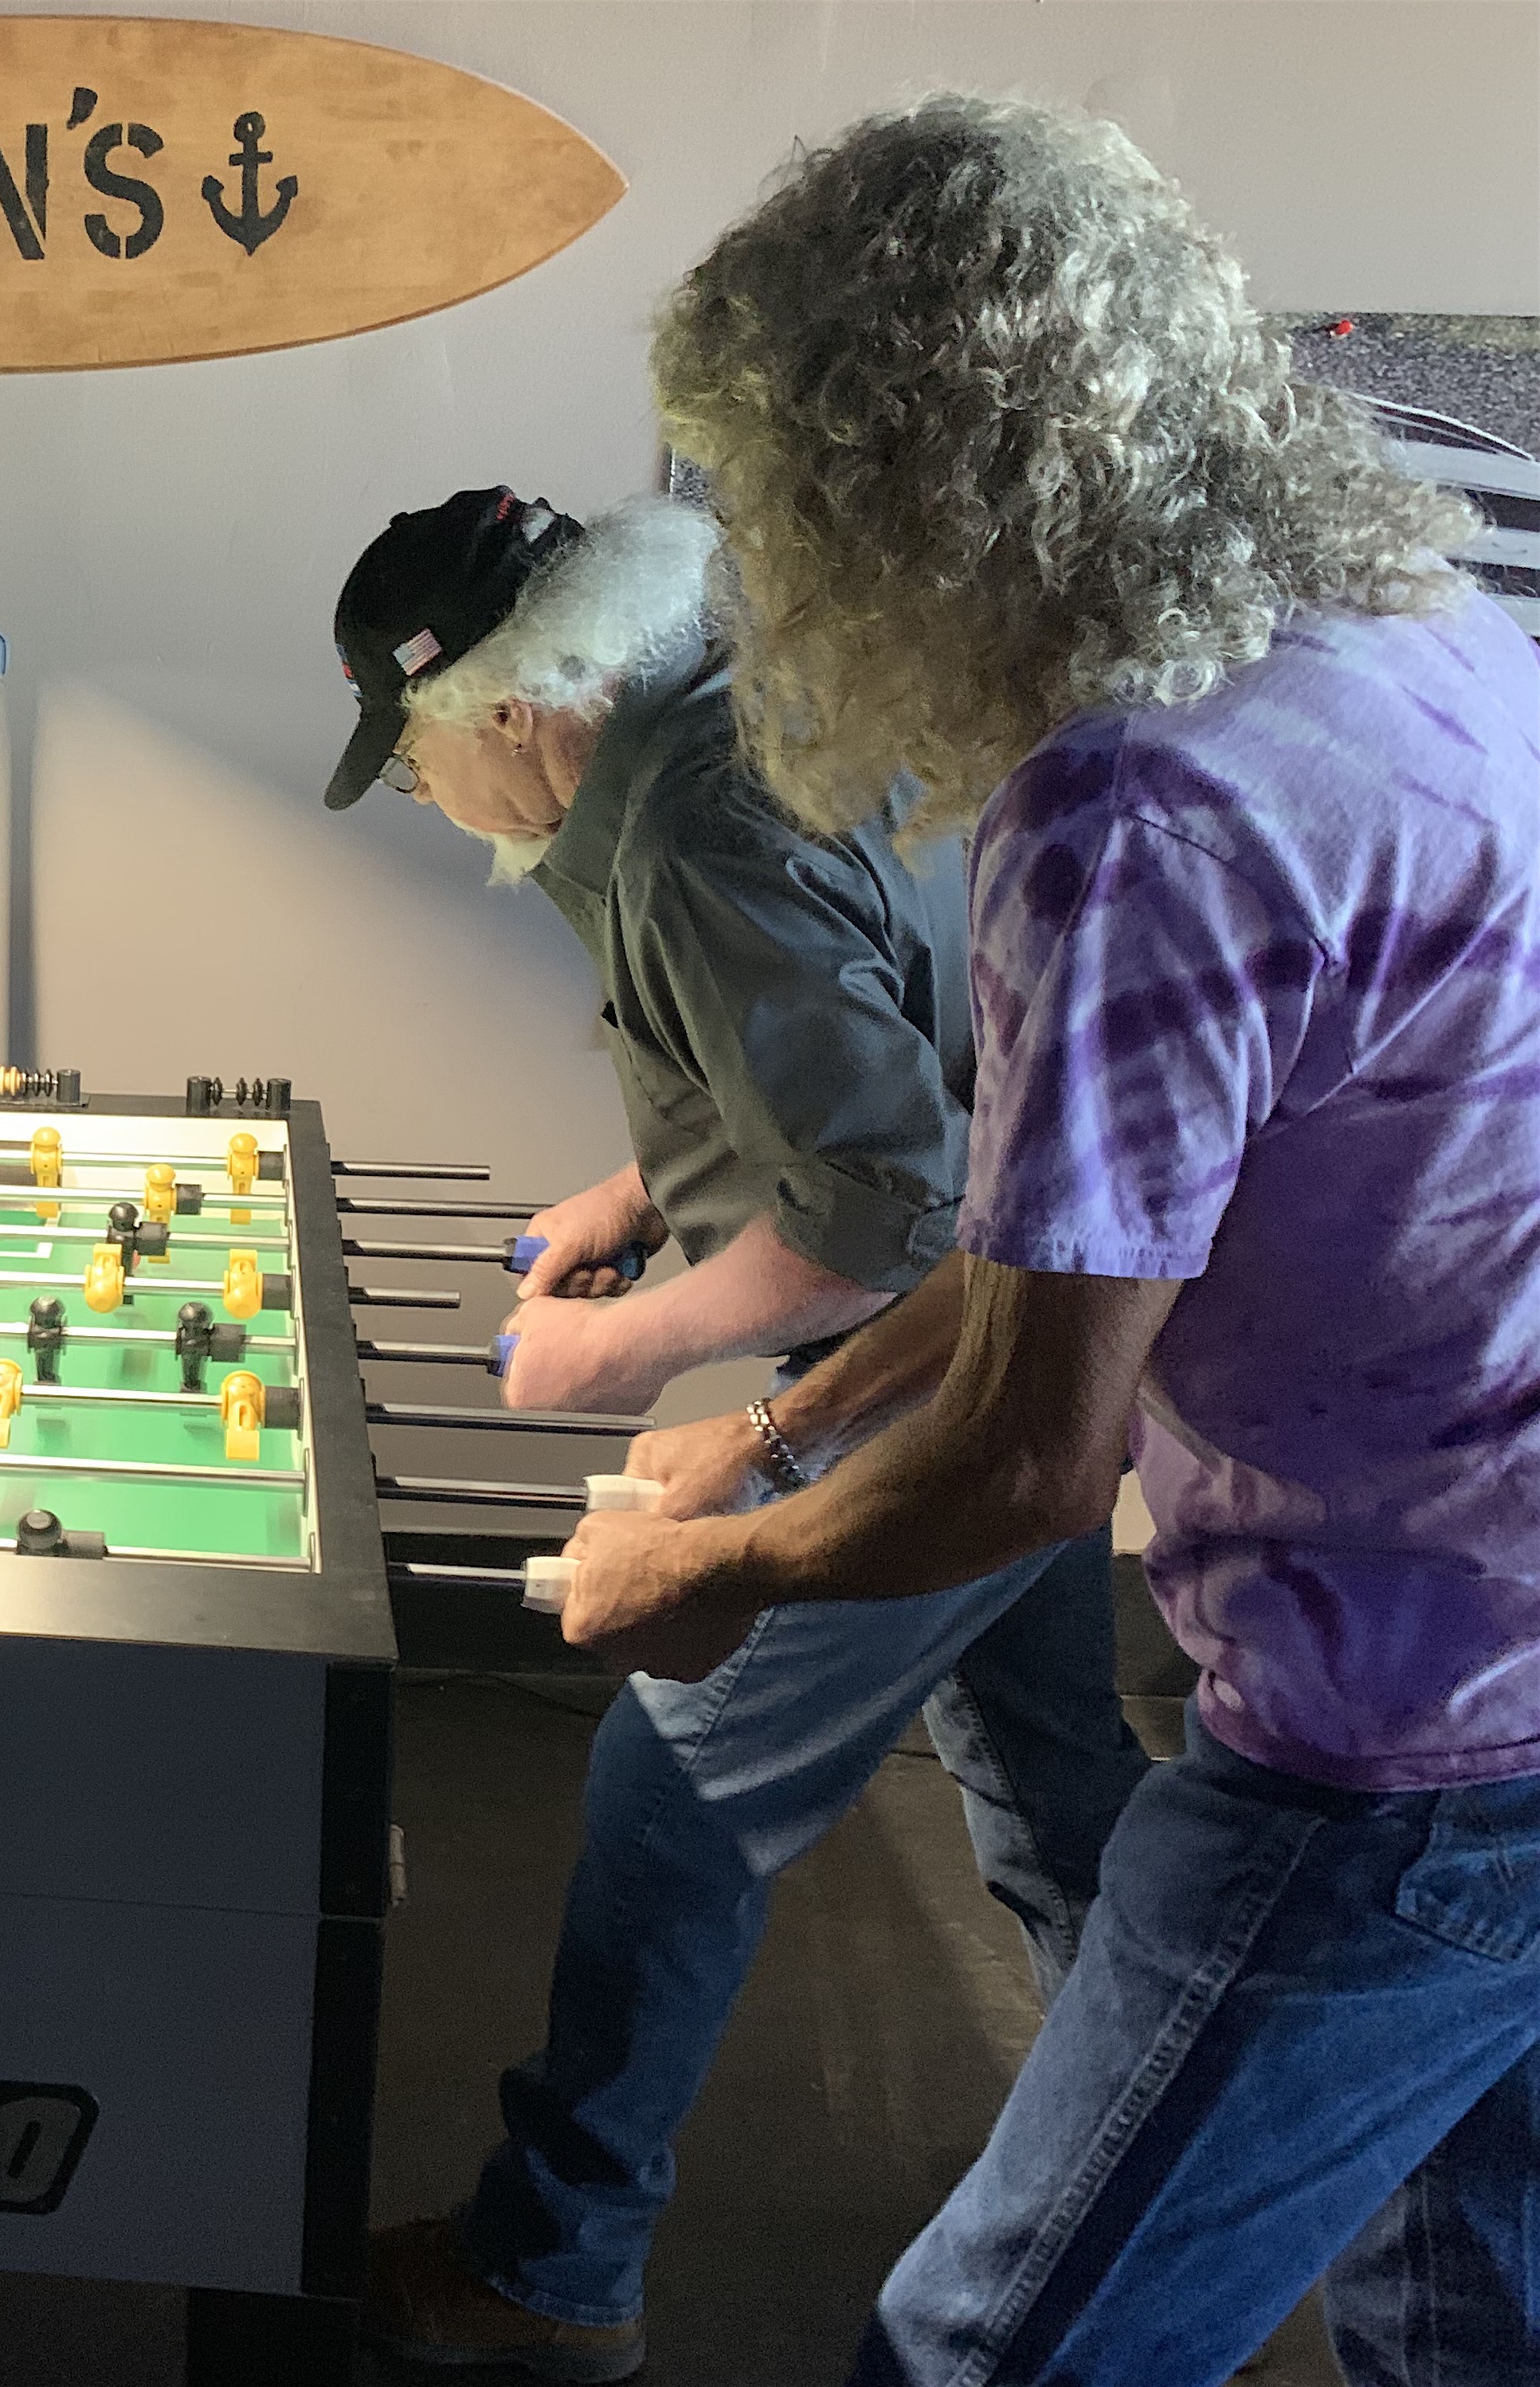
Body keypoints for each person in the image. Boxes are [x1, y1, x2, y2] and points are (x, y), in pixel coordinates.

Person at [567, 96, 1540, 2384]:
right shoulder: (1424, 638)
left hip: (1387, 1745)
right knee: (1468, 2325)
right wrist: (784, 1425)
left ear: (889, 489)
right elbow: (1069, 1235)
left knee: (989, 2352)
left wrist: (697, 1574)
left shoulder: (1136, 801)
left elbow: (1028, 1459)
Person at [328, 488, 1148, 2381]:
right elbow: (832, 1039)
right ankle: (1155, 2172)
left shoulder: (687, 832)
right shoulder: (748, 712)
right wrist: (644, 1189)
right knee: (1041, 1783)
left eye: (413, 759)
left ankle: (548, 2272)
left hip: (921, 1353)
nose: (423, 798)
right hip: (1008, 1326)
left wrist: (646, 1375)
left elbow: (875, 1202)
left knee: (667, 1795)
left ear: (510, 712)